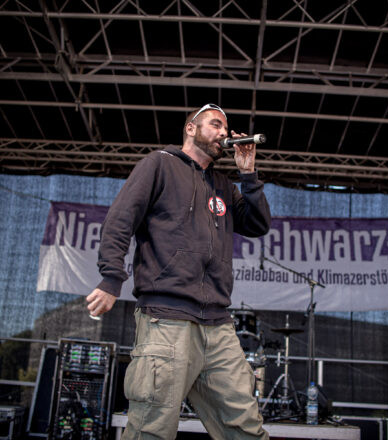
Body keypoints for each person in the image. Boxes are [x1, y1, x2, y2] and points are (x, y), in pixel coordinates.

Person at [86, 103, 271, 439]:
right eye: (215, 125)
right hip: (166, 318)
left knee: (245, 426)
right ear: (191, 128)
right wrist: (112, 278)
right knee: (152, 427)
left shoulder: (224, 185)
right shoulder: (159, 164)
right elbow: (120, 219)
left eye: (226, 129)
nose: (223, 134)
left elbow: (258, 224)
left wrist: (248, 174)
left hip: (217, 323)